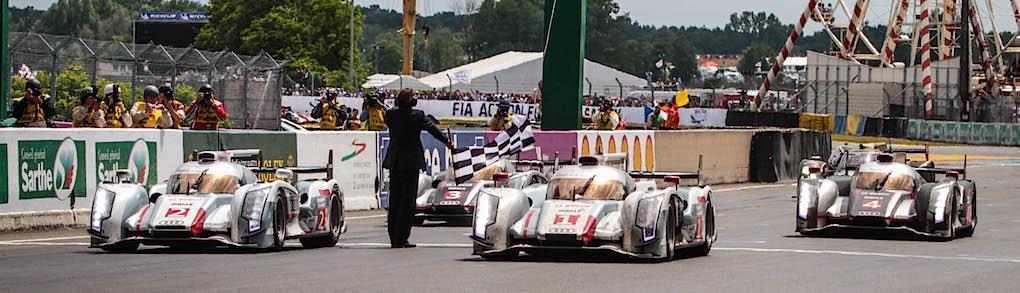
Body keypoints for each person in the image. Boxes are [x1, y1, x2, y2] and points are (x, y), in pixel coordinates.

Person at [382, 89, 453, 248]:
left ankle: (394, 236)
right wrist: (446, 141)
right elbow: (433, 129)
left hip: (395, 161)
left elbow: (392, 115)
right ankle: (401, 237)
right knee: (407, 202)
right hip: (410, 162)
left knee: (395, 200)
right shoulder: (417, 115)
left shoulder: (391, 116)